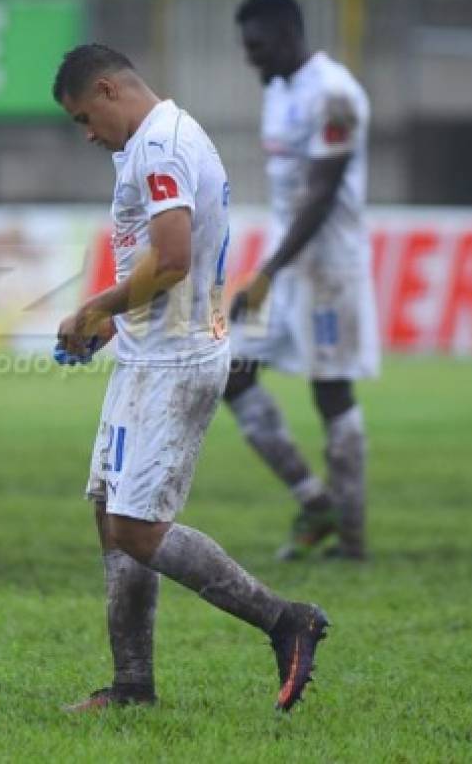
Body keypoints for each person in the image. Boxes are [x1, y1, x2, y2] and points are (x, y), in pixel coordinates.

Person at [52, 43, 328, 713]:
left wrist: (95, 306)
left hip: (175, 364)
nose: (87, 133)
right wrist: (118, 324)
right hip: (149, 353)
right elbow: (175, 261)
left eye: (85, 116)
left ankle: (284, 620)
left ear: (112, 91)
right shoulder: (158, 136)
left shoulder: (160, 147)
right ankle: (132, 686)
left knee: (139, 529)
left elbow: (173, 258)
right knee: (110, 513)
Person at [225, 0, 378, 561]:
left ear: (290, 34)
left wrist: (265, 272)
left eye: (257, 46)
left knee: (331, 390)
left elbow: (321, 195)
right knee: (230, 371)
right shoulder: (279, 89)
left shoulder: (335, 95)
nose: (250, 58)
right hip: (288, 265)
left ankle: (353, 536)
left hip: (329, 270)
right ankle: (315, 501)